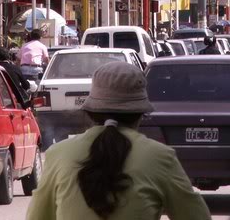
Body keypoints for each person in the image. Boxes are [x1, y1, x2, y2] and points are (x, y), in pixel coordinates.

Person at [27, 62, 211, 220]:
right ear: (140, 114)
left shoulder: (59, 154)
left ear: (91, 112)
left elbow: (37, 216)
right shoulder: (160, 157)